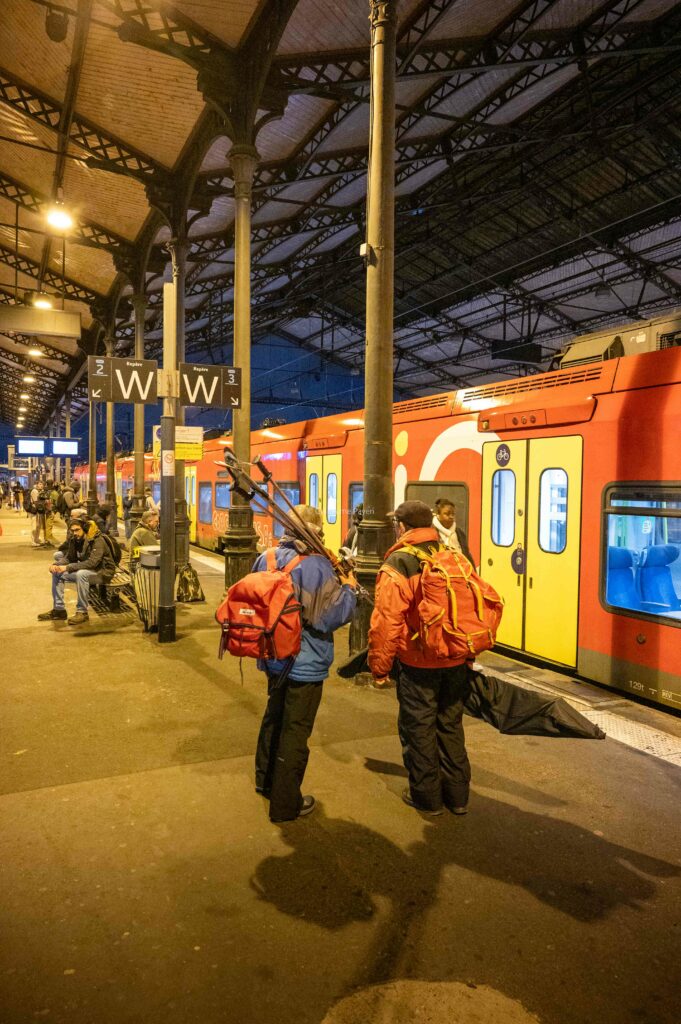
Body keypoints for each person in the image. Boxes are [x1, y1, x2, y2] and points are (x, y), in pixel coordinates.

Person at [368, 500, 471, 817]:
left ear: (402, 526)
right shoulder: (452, 554)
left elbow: (387, 621)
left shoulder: (400, 562)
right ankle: (457, 798)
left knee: (420, 729)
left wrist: (380, 667)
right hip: (455, 659)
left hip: (419, 663)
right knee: (450, 727)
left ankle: (427, 798)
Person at [254, 505, 357, 823]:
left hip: (273, 656)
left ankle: (265, 781)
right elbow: (328, 618)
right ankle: (286, 804)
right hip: (304, 661)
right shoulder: (315, 566)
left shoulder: (267, 557)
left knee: (274, 715)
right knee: (296, 730)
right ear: (313, 531)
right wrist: (350, 588)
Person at [37, 516, 115, 625]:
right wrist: (56, 565)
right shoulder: (75, 540)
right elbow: (70, 558)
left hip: (103, 572)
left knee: (81, 574)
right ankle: (59, 610)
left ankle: (82, 612)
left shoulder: (97, 539)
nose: (74, 533)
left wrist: (67, 567)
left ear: (84, 529)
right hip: (91, 571)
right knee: (57, 573)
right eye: (72, 530)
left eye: (77, 530)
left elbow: (92, 563)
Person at [432, 498, 474, 566]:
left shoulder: (460, 533)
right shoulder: (431, 532)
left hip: (461, 572)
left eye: (453, 514)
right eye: (447, 514)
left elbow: (467, 556)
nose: (451, 517)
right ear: (438, 515)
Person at [29, 481, 48, 547]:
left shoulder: (39, 491)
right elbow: (36, 502)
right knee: (34, 526)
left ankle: (36, 540)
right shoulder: (35, 491)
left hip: (38, 511)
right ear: (36, 485)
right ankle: (33, 541)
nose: (41, 485)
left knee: (38, 526)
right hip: (34, 511)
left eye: (42, 484)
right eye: (40, 484)